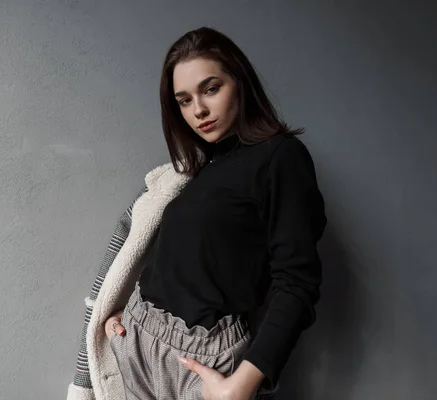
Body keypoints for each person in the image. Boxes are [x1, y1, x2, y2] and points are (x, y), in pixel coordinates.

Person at [67, 26, 327, 400]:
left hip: (205, 364)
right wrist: (124, 311)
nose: (198, 110)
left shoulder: (280, 157)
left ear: (239, 82)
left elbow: (298, 283)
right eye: (184, 100)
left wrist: (243, 384)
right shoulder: (197, 170)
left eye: (210, 89)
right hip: (136, 345)